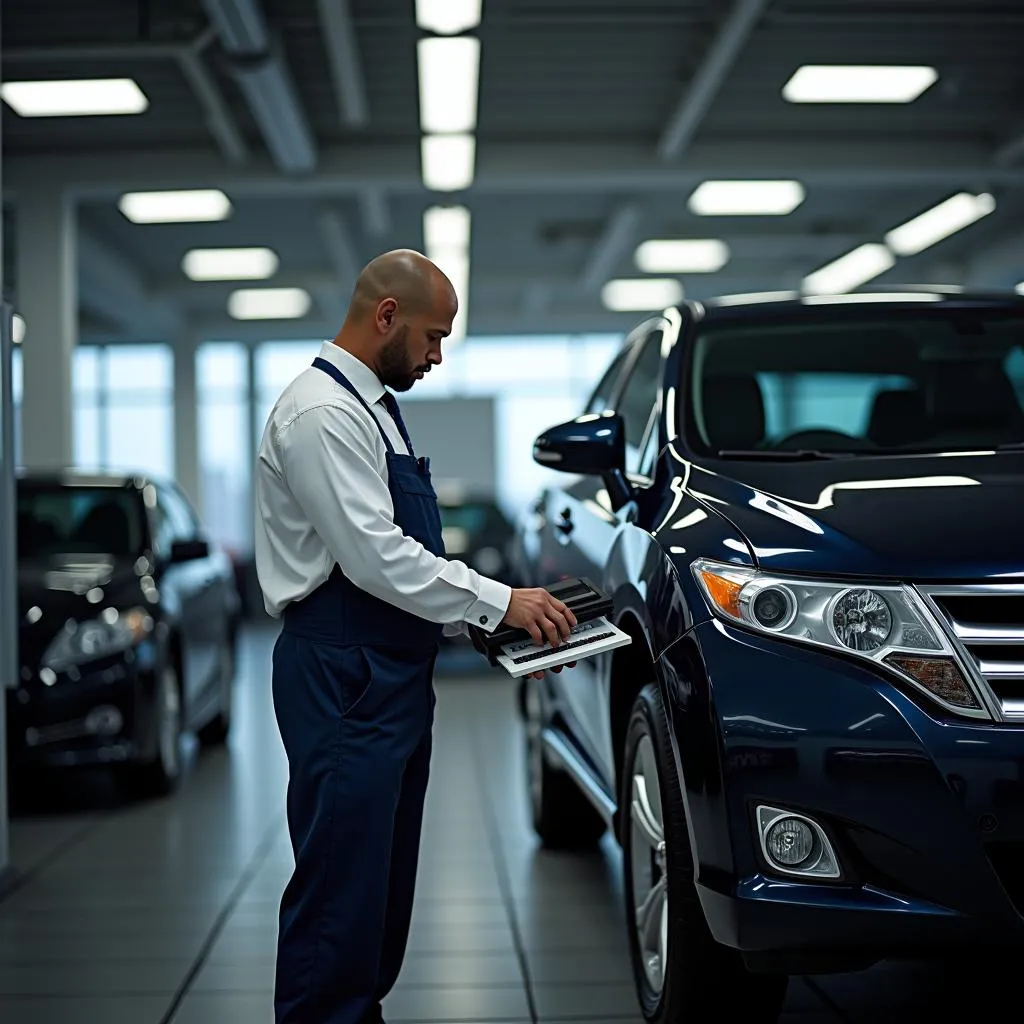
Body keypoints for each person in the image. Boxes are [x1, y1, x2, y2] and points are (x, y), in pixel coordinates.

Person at [253, 248, 578, 1024]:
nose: (437, 356)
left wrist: (487, 628)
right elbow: (376, 556)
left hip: (385, 668)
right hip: (343, 671)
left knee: (377, 895)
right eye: (433, 337)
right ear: (386, 316)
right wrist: (498, 599)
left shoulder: (374, 409)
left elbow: (402, 563)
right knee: (339, 897)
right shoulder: (323, 414)